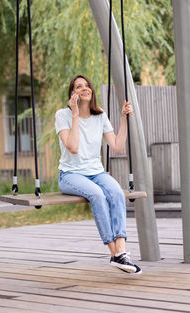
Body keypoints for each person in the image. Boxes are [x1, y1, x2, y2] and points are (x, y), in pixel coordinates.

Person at [55, 74, 141, 274]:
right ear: (72, 94)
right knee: (97, 195)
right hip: (70, 175)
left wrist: (123, 118)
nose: (84, 88)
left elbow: (118, 146)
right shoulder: (63, 115)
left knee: (117, 193)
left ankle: (121, 251)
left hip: (96, 172)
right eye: (78, 86)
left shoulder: (100, 115)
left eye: (87, 85)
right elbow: (74, 148)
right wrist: (75, 114)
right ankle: (114, 254)